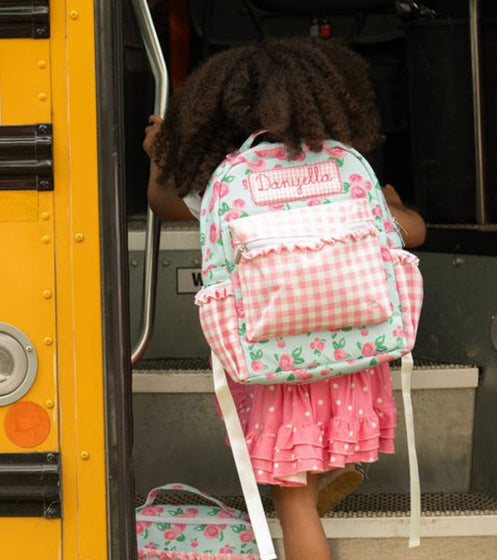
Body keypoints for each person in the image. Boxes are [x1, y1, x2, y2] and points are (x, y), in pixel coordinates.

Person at [143, 38, 426, 560]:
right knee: (307, 476)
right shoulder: (346, 168)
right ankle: (332, 466)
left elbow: (162, 202)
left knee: (293, 509)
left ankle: (317, 485)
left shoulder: (227, 181)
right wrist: (394, 204)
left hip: (274, 361)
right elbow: (412, 233)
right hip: (352, 350)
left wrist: (162, 152)